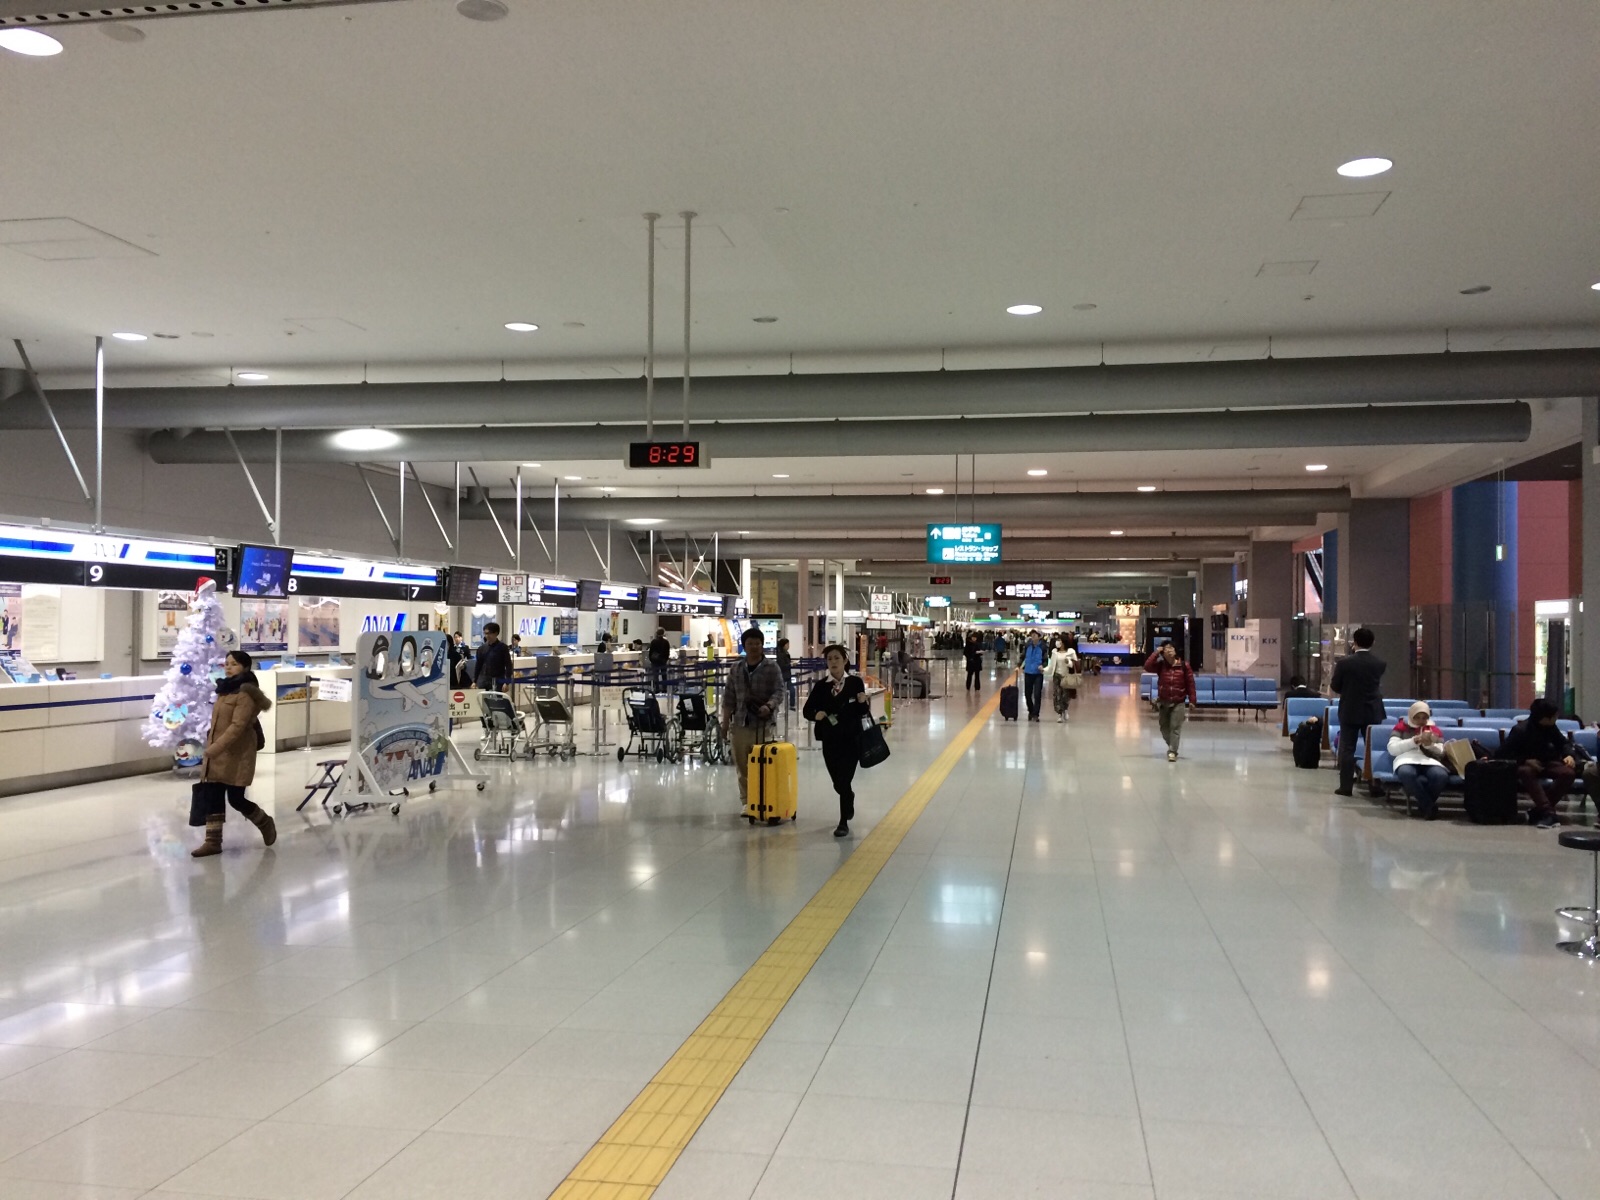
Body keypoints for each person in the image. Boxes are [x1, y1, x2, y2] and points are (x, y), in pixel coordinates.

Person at [192, 650, 277, 858]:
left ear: (245, 667)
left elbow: (237, 727)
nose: (229, 667)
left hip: (237, 753)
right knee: (213, 795)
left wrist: (214, 748)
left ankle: (264, 821)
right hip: (218, 751)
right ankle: (212, 842)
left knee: (236, 799)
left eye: (234, 664)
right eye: (227, 663)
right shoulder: (225, 689)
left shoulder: (246, 693)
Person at [803, 644, 869, 837]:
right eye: (830, 659)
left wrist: (862, 702)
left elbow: (862, 711)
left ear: (845, 661)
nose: (833, 662)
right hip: (830, 739)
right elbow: (807, 710)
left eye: (837, 658)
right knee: (838, 782)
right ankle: (848, 796)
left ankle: (842, 822)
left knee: (845, 778)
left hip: (851, 738)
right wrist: (816, 715)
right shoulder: (821, 686)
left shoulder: (855, 682)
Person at [720, 628, 784, 810]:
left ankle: (764, 799)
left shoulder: (772, 667)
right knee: (742, 766)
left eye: (757, 643)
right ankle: (747, 801)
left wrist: (769, 706)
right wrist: (725, 723)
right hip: (740, 723)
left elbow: (779, 691)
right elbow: (729, 697)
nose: (754, 647)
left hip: (764, 724)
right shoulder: (736, 668)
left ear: (762, 645)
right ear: (744, 646)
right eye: (750, 643)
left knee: (764, 765)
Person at [1500, 698, 1580, 828]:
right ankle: (1549, 813)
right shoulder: (1520, 730)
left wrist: (1569, 755)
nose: (1557, 718)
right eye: (1554, 716)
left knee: (1568, 773)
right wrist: (1525, 760)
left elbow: (1563, 743)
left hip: (1546, 762)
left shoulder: (1551, 727)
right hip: (1525, 764)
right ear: (1545, 718)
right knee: (1525, 772)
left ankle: (1540, 811)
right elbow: (1502, 754)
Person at [1329, 627, 1385, 797]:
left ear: (1354, 642)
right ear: (1373, 642)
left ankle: (1345, 787)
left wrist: (1348, 690)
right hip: (1372, 710)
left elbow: (1335, 686)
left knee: (1347, 748)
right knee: (1372, 748)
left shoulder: (1344, 663)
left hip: (1350, 710)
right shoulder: (1379, 663)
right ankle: (1374, 786)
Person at [1388, 701, 1449, 820]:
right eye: (1417, 717)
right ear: (1411, 716)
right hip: (1406, 759)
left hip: (1429, 760)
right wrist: (1413, 741)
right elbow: (1392, 749)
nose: (1421, 721)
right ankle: (1428, 806)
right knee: (1407, 773)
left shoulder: (1434, 730)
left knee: (1440, 775)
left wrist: (1429, 745)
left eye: (1424, 718)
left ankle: (1424, 806)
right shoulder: (1401, 728)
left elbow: (1441, 752)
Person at [1144, 641, 1196, 761]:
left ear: (1175, 651)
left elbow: (1190, 683)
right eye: (1166, 649)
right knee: (1164, 727)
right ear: (1163, 652)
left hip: (1179, 701)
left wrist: (1192, 699)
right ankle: (1172, 744)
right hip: (1164, 701)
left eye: (1171, 648)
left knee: (1175, 727)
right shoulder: (1161, 666)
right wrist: (1156, 653)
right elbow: (1147, 666)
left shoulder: (1184, 666)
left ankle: (1172, 751)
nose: (1169, 651)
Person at [472, 621, 513, 692]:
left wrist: (507, 682)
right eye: (485, 633)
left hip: (498, 680)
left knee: (497, 698)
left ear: (496, 633)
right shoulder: (481, 648)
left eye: (489, 633)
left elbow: (508, 665)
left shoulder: (503, 647)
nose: (487, 636)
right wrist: (474, 681)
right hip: (483, 681)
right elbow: (478, 665)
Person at [1048, 636, 1080, 722]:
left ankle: (1065, 709)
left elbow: (1074, 663)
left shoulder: (1070, 652)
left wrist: (1068, 662)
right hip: (1056, 675)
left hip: (1066, 676)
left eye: (1060, 641)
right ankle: (1059, 713)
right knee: (1057, 694)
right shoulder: (1054, 652)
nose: (1058, 642)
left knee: (1065, 695)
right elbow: (1051, 665)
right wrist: (1044, 670)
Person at [1020, 630, 1047, 720]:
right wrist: (1018, 666)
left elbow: (1046, 660)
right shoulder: (1027, 646)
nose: (1033, 637)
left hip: (1038, 673)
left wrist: (1043, 666)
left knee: (1037, 694)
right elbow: (1023, 656)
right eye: (1032, 635)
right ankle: (1031, 711)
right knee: (1027, 694)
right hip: (1028, 672)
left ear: (1039, 637)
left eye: (1035, 635)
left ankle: (1036, 714)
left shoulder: (1043, 647)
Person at [646, 627, 671, 694]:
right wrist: (665, 659)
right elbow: (667, 652)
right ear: (663, 633)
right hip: (663, 661)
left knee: (655, 676)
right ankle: (664, 689)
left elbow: (651, 652)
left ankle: (656, 689)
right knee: (664, 675)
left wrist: (651, 660)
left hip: (655, 661)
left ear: (656, 633)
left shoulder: (653, 641)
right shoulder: (666, 642)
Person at [775, 637, 794, 705]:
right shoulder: (781, 654)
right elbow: (782, 665)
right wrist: (791, 664)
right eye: (787, 644)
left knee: (791, 690)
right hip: (784, 675)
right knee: (789, 690)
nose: (788, 646)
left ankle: (791, 704)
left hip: (787, 674)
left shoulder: (785, 653)